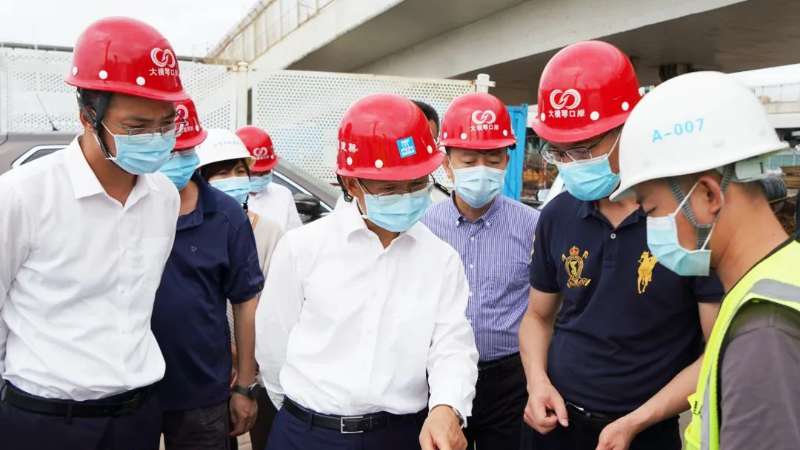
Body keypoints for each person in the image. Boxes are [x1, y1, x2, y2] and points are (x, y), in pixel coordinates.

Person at [520, 41, 723, 450]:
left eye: (584, 148)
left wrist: (637, 421)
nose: (572, 163)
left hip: (646, 431)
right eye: (559, 152)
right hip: (556, 423)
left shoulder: (683, 219)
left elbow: (717, 350)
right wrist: (537, 382)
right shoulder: (557, 215)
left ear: (629, 131)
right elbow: (537, 317)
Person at [0, 17, 185, 450]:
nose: (156, 138)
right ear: (87, 116)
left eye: (166, 123)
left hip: (137, 417)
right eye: (136, 127)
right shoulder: (22, 195)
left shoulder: (163, 197)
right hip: (45, 422)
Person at [256, 93, 479, 450]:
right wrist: (305, 412)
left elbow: (452, 345)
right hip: (306, 433)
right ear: (351, 184)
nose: (406, 197)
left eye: (416, 184)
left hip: (398, 435)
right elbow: (273, 345)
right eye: (389, 189)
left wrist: (446, 406)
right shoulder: (303, 248)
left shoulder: (441, 259)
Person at [609, 71, 800, 450]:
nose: (650, 229)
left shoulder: (764, 331)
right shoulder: (781, 275)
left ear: (708, 196)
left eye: (651, 210)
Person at [422, 92, 539, 450]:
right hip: (438, 377)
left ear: (507, 161)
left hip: (509, 379)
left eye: (492, 159)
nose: (481, 170)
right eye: (469, 161)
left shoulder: (532, 225)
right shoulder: (424, 227)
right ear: (447, 165)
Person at [152, 105, 266, 449]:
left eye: (185, 150)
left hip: (202, 392)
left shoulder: (226, 216)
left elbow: (245, 304)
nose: (177, 159)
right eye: (169, 152)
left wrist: (244, 385)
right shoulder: (128, 209)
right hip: (132, 391)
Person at [195, 127, 285, 450]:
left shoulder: (270, 232)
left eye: (238, 171)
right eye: (222, 173)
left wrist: (249, 359)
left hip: (259, 367)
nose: (233, 180)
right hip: (209, 366)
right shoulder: (191, 230)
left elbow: (274, 304)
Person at [238, 126, 302, 231]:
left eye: (265, 171)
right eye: (254, 173)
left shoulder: (283, 195)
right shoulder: (225, 198)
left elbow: (295, 236)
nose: (260, 177)